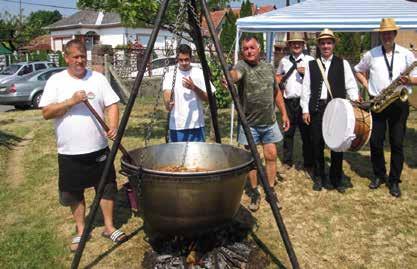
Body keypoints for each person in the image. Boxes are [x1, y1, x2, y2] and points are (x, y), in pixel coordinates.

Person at [39, 39, 126, 252]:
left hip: (98, 148)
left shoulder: (97, 78)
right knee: (73, 193)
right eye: (75, 57)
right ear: (66, 57)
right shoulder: (56, 81)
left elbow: (112, 104)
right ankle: (81, 230)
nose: (80, 61)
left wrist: (113, 125)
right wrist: (70, 102)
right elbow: (46, 113)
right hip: (69, 151)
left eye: (82, 57)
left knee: (106, 187)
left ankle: (108, 226)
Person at [354, 18, 417, 197]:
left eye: (390, 33)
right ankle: (379, 175)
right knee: (375, 142)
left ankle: (394, 180)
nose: (387, 36)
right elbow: (358, 70)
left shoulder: (406, 54)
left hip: (398, 101)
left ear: (395, 34)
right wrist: (368, 86)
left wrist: (409, 80)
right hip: (378, 101)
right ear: (380, 35)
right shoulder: (371, 54)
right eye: (384, 33)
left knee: (397, 143)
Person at [228, 35, 290, 211]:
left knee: (271, 155)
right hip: (249, 125)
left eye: (252, 48)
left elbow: (276, 92)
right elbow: (235, 74)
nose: (249, 51)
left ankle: (270, 190)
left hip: (269, 121)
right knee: (252, 161)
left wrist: (284, 114)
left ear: (259, 49)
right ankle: (254, 191)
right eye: (245, 48)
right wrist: (229, 77)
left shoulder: (269, 68)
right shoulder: (242, 66)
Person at [301, 29, 359, 193]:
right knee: (317, 143)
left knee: (337, 145)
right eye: (323, 43)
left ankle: (336, 178)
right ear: (319, 45)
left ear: (333, 44)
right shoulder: (311, 64)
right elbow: (306, 89)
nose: (326, 46)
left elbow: (351, 85)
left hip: (337, 109)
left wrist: (355, 100)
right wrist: (305, 109)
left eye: (329, 42)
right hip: (317, 109)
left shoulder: (343, 63)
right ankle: (319, 177)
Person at [276, 32, 314, 174]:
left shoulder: (310, 60)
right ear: (290, 45)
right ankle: (287, 161)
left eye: (299, 43)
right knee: (288, 132)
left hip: (304, 102)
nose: (296, 45)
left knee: (306, 133)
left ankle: (309, 162)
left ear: (303, 45)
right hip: (288, 101)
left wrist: (306, 73)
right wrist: (279, 80)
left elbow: (316, 81)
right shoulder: (284, 60)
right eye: (293, 43)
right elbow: (278, 76)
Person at [163, 44, 216, 142]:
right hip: (177, 125)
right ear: (177, 59)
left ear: (191, 58)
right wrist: (168, 103)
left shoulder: (199, 73)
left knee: (198, 156)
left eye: (186, 59)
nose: (184, 63)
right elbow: (167, 94)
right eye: (181, 60)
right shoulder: (170, 74)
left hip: (196, 125)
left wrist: (194, 88)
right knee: (176, 156)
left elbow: (209, 98)